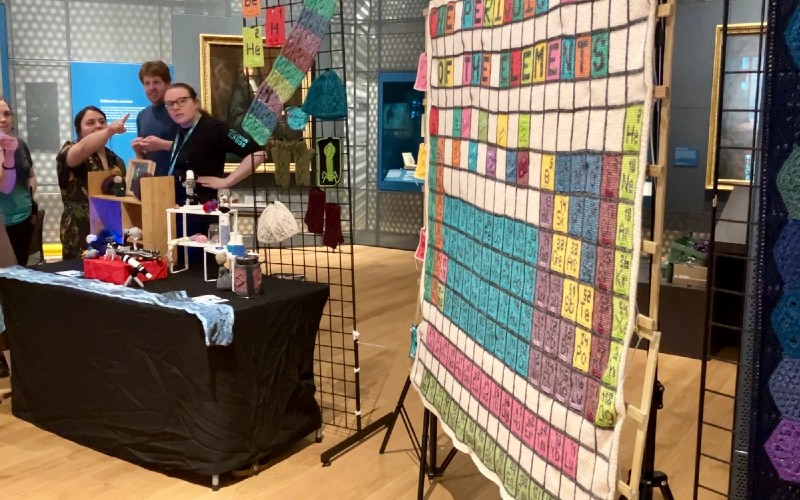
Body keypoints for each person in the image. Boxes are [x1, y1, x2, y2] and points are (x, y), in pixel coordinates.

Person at [163, 83, 265, 205]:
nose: (176, 107)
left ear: (195, 103)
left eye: (182, 101)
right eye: (170, 104)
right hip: (176, 206)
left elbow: (259, 154)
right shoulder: (176, 130)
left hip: (203, 210)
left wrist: (226, 182)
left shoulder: (216, 129)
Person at [57, 106, 127, 260]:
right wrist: (109, 131)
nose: (98, 126)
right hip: (79, 232)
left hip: (110, 232)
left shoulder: (115, 159)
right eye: (90, 123)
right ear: (79, 131)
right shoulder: (70, 150)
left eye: (102, 122)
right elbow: (82, 149)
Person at [0, 98, 35, 267]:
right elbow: (5, 187)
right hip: (3, 224)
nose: (3, 119)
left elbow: (30, 174)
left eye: (7, 114)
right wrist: (7, 154)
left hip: (23, 219)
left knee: (20, 272)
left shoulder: (19, 144)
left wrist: (30, 198)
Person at [131, 61, 177, 176]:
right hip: (151, 185)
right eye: (147, 83)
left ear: (168, 84)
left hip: (179, 184)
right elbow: (144, 159)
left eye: (156, 82)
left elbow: (194, 147)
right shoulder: (142, 116)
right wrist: (138, 152)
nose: (151, 88)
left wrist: (163, 145)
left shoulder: (179, 111)